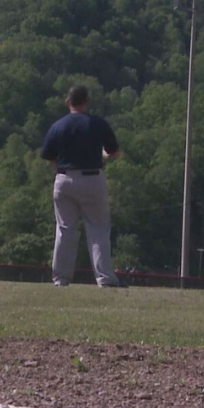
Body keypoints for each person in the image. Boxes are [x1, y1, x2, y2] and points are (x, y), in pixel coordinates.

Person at [39, 85, 124, 288]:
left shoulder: (58, 126)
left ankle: (60, 279)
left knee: (65, 230)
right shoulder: (98, 124)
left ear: (68, 102)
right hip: (92, 178)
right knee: (98, 229)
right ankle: (104, 278)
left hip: (64, 178)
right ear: (86, 102)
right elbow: (113, 152)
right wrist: (104, 155)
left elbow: (49, 158)